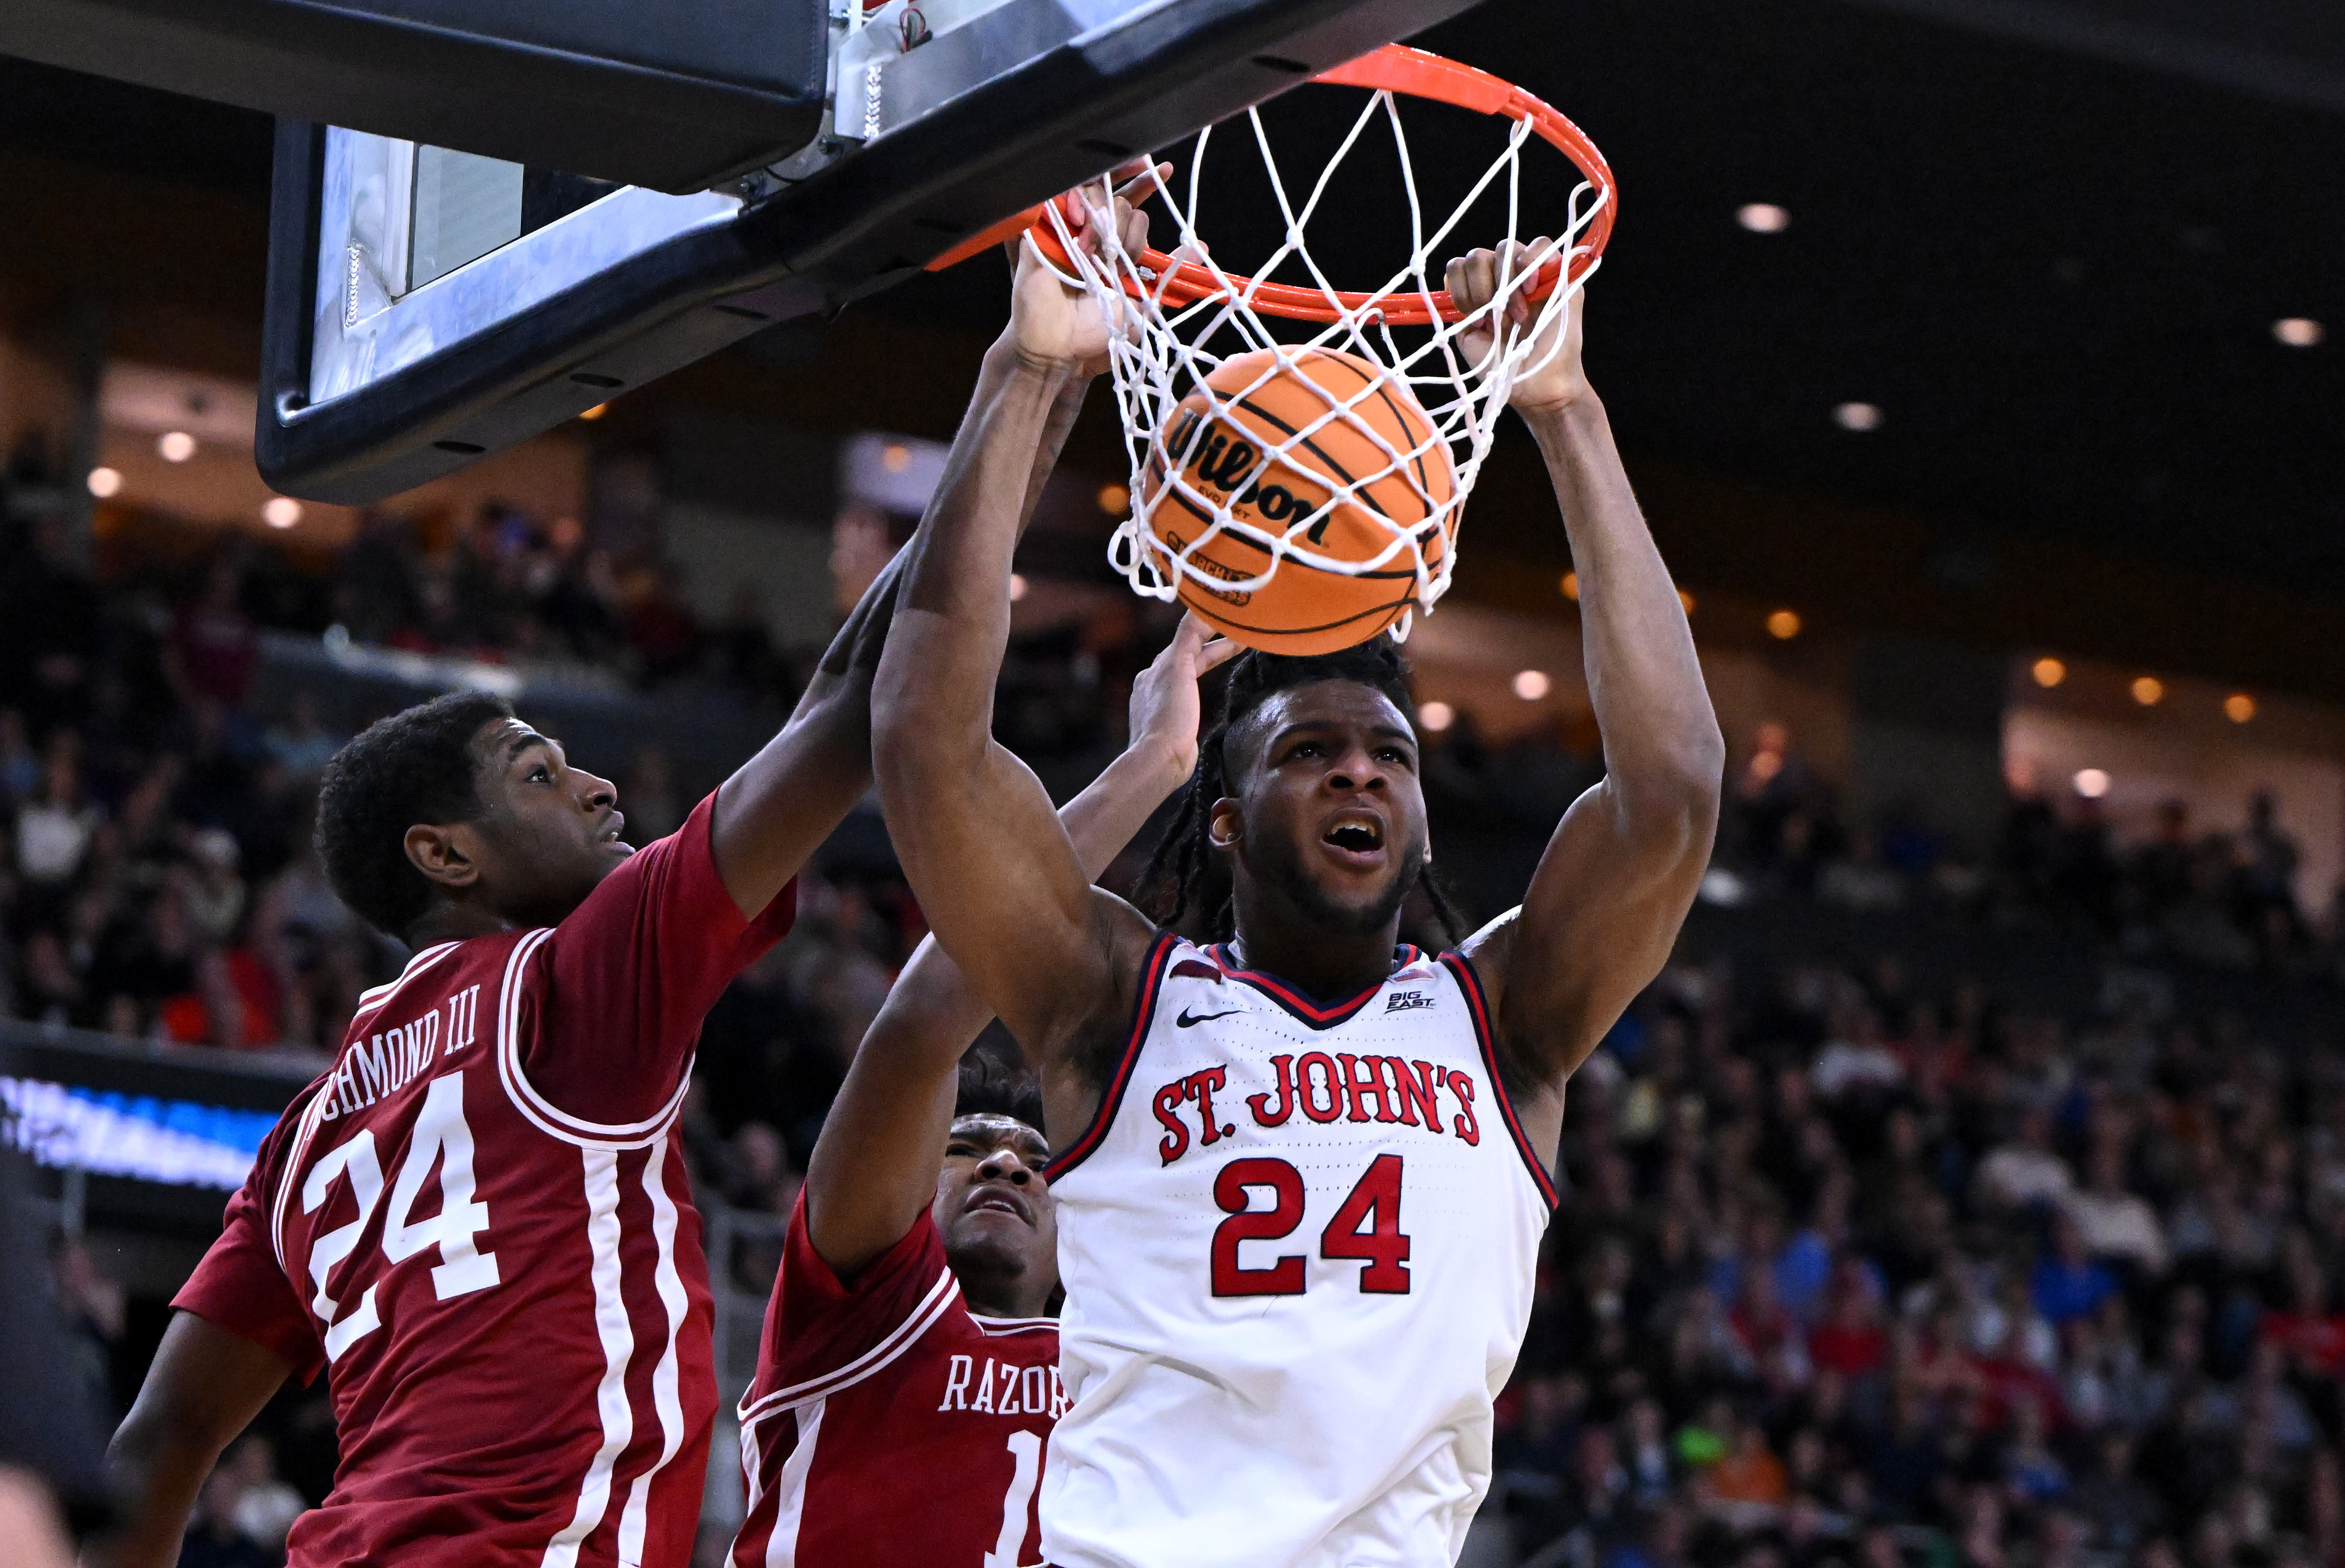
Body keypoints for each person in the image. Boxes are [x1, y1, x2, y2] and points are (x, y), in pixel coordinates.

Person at [870, 195, 1724, 1568]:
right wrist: (1028, 371)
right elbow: (925, 745)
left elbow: (1670, 790)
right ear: (1222, 819)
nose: (1357, 774)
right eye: (1307, 753)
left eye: (1389, 756)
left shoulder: (1505, 1021)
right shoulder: (1112, 997)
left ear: (1422, 824)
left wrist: (1565, 409)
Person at [91, 553, 911, 1568]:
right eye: (540, 775)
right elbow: (846, 708)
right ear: (445, 855)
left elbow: (157, 1441)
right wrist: (1006, 444)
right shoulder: (567, 984)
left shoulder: (304, 1139)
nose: (600, 789)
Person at [731, 617, 1232, 1568]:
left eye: (1037, 1165)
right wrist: (1156, 764)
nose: (1006, 1163)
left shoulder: (1127, 1365)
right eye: (966, 1149)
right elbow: (921, 1025)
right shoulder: (855, 1302)